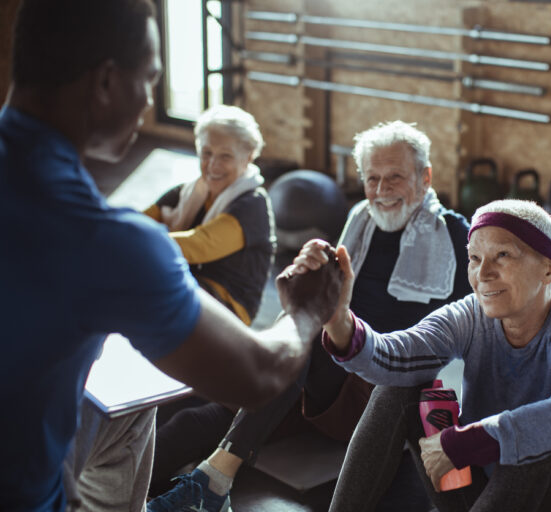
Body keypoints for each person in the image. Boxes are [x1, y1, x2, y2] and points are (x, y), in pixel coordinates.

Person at [0, 1, 320, 511]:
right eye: (148, 79)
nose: (150, 99)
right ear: (105, 82)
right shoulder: (101, 239)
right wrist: (305, 309)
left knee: (131, 410)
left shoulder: (245, 208)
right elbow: (258, 375)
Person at [148, 120, 473, 511]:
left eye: (395, 178)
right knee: (189, 419)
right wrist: (308, 273)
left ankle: (216, 479)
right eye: (372, 179)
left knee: (304, 332)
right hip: (318, 377)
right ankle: (114, 499)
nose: (382, 192)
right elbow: (328, 299)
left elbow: (489, 312)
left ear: (425, 177)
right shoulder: (361, 220)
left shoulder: (454, 236)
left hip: (379, 388)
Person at [295, 199, 551, 511]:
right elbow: (395, 357)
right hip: (485, 493)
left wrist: (463, 443)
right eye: (475, 258)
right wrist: (338, 320)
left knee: (541, 444)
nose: (484, 274)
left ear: (549, 270)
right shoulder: (470, 315)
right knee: (398, 391)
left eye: (502, 255)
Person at [144, 104, 275, 326]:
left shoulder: (252, 205)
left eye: (225, 156)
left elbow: (199, 245)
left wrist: (131, 238)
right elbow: (142, 220)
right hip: (193, 285)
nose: (213, 165)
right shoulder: (188, 192)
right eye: (206, 153)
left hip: (229, 307)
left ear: (249, 157)